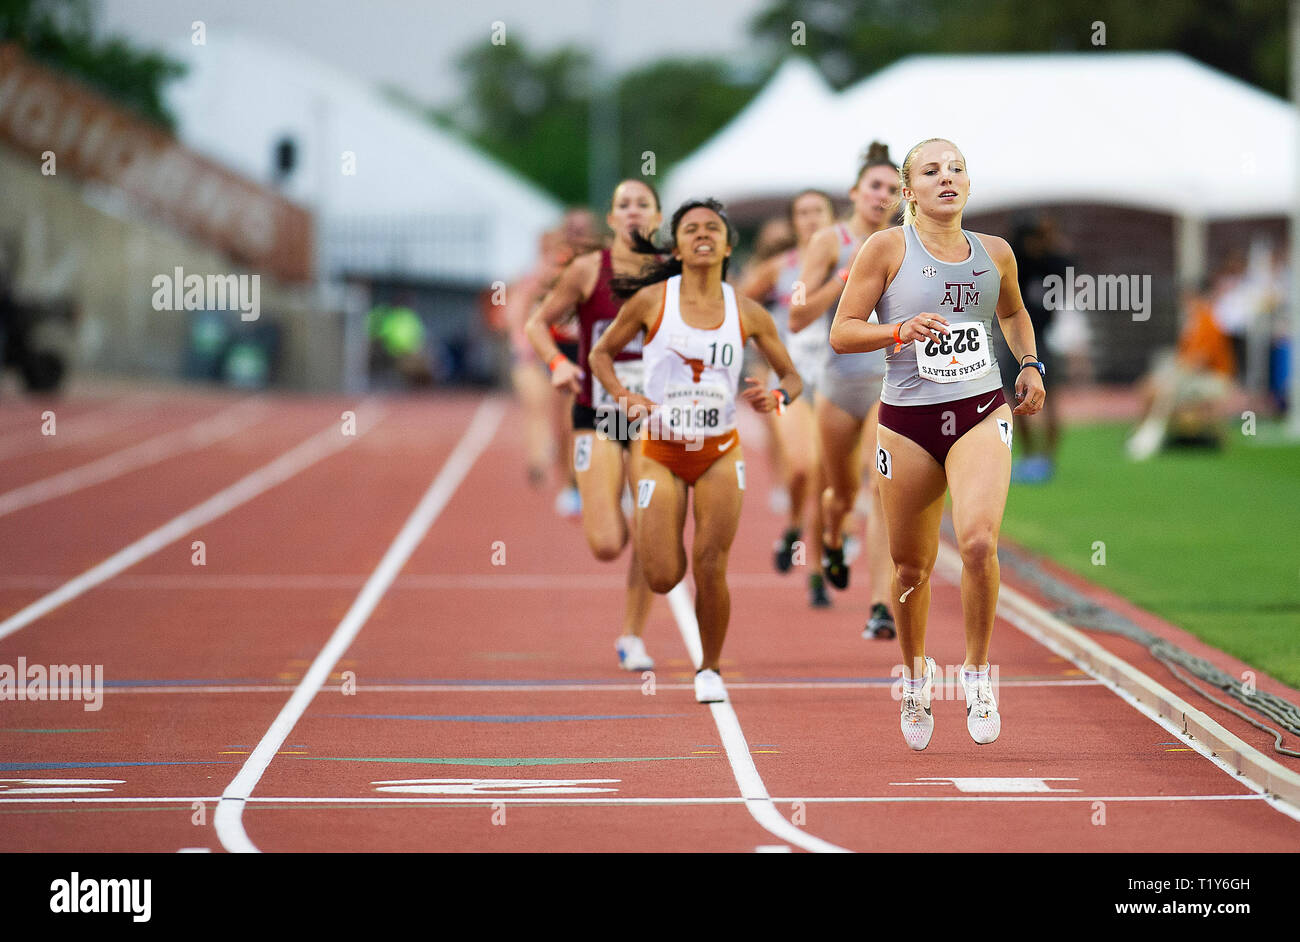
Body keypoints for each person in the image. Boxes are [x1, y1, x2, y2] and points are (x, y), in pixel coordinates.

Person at [829, 138, 1046, 750]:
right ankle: (918, 674)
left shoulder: (995, 252)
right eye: (931, 171)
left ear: (969, 185)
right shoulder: (887, 247)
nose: (946, 178)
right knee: (910, 566)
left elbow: (1013, 312)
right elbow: (843, 332)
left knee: (978, 541)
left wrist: (1029, 364)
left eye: (956, 169)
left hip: (980, 411)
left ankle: (977, 673)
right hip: (908, 421)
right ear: (909, 190)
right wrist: (899, 329)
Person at [590, 198, 802, 703]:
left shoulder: (746, 311)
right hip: (660, 450)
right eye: (690, 229)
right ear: (677, 246)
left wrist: (775, 397)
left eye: (712, 228)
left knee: (711, 563)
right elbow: (600, 354)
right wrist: (623, 396)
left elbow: (793, 376)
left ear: (729, 246)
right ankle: (666, 538)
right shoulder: (650, 302)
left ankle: (709, 668)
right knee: (663, 575)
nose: (702, 235)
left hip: (720, 452)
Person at [525, 180, 663, 671]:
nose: (632, 212)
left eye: (641, 204)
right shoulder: (587, 270)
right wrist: (556, 364)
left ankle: (631, 636)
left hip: (655, 418)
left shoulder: (674, 273)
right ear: (611, 218)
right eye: (622, 204)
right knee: (606, 544)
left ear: (657, 216)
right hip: (598, 414)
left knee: (654, 529)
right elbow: (537, 323)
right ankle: (616, 509)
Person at [789, 142, 899, 638]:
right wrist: (844, 281)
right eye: (876, 186)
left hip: (888, 382)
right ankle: (832, 537)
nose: (883, 195)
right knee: (837, 493)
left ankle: (879, 606)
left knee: (879, 487)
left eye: (894, 189)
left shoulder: (906, 241)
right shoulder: (828, 241)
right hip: (836, 382)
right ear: (855, 193)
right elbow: (796, 314)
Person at [741, 190, 837, 607]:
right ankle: (796, 523)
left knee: (829, 483)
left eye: (820, 211)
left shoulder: (854, 264)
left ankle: (815, 572)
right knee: (801, 467)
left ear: (833, 219)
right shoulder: (779, 268)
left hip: (841, 383)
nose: (812, 219)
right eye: (803, 212)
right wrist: (757, 359)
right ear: (793, 222)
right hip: (789, 380)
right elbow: (736, 310)